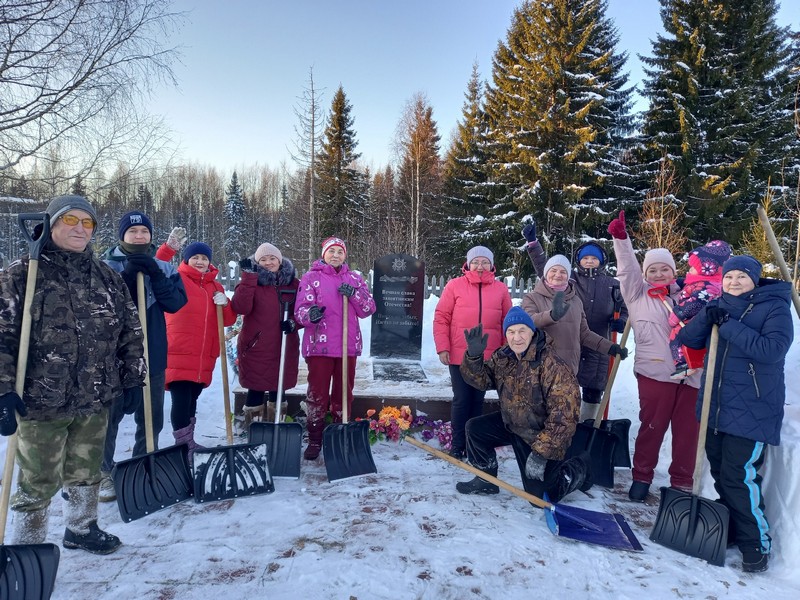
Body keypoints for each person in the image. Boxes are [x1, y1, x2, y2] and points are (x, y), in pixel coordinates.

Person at [0, 195, 145, 554]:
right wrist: (3, 390)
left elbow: (130, 331)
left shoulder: (106, 277)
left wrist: (132, 378)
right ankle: (27, 547)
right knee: (38, 479)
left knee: (86, 470)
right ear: (51, 224)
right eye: (71, 221)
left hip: (94, 396)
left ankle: (81, 528)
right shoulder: (22, 273)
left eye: (87, 223)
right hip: (39, 400)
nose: (80, 229)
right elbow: (2, 334)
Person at [678, 255, 793, 573]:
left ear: (755, 280)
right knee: (721, 473)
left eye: (741, 277)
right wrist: (707, 318)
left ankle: (757, 542)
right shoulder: (719, 303)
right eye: (729, 277)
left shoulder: (775, 308)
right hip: (717, 405)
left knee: (739, 476)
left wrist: (729, 326)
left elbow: (772, 350)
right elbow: (688, 339)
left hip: (753, 410)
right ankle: (731, 527)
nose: (733, 282)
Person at [607, 210, 701, 501]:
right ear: (645, 274)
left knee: (687, 434)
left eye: (665, 269)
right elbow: (626, 270)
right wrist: (621, 240)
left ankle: (682, 484)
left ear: (674, 271)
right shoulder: (637, 294)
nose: (659, 274)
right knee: (652, 428)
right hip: (655, 373)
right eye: (652, 270)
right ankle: (642, 477)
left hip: (693, 375)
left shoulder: (689, 294)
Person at [454, 307, 588, 501]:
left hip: (539, 434)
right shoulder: (504, 357)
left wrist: (541, 453)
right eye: (511, 331)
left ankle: (581, 467)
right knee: (475, 428)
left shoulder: (553, 365)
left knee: (542, 497)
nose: (517, 337)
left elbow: (564, 418)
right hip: (513, 424)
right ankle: (486, 479)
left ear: (532, 331)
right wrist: (474, 358)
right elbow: (482, 381)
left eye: (522, 330)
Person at [99, 211, 187, 501]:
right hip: (112, 357)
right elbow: (102, 306)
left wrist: (154, 272)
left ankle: (142, 466)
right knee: (108, 418)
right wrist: (126, 276)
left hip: (153, 353)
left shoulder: (165, 267)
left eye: (144, 231)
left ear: (151, 236)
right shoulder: (102, 265)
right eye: (133, 231)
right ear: (121, 235)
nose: (139, 236)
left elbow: (175, 303)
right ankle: (102, 474)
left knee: (151, 417)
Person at [522, 221, 628, 421]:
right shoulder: (571, 281)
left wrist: (621, 321)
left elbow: (625, 307)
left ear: (602, 261)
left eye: (593, 259)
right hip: (566, 341)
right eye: (585, 258)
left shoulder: (612, 284)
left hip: (596, 341)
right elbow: (549, 269)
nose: (589, 261)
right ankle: (563, 425)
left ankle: (588, 425)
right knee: (562, 390)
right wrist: (534, 244)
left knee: (593, 389)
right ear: (578, 261)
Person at [294, 237, 376, 460]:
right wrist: (310, 315)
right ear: (324, 254)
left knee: (343, 393)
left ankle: (339, 434)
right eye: (332, 251)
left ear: (345, 255)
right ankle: (315, 438)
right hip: (319, 346)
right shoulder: (312, 278)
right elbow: (300, 310)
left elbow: (369, 308)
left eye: (340, 251)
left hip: (347, 347)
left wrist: (354, 294)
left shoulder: (355, 279)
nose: (336, 255)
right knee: (317, 393)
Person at [159, 241, 237, 457]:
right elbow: (155, 266)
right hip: (179, 351)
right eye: (196, 257)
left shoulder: (215, 286)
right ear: (186, 259)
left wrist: (226, 304)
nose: (200, 261)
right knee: (181, 399)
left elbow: (228, 320)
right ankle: (182, 445)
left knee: (192, 398)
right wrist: (168, 248)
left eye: (204, 258)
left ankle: (188, 441)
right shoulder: (175, 278)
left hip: (203, 355)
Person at [433, 246, 512, 459]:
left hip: (488, 357)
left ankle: (473, 445)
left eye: (484, 262)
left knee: (478, 400)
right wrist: (443, 347)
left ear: (492, 264)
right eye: (475, 261)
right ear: (468, 264)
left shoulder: (501, 289)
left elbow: (508, 322)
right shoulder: (454, 286)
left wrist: (506, 351)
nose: (480, 266)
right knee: (461, 399)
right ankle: (457, 445)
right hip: (460, 355)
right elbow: (442, 317)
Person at [231, 242, 301, 429]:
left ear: (279, 260)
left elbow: (304, 311)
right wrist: (248, 279)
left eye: (272, 258)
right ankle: (255, 430)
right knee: (255, 388)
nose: (268, 262)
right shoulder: (251, 282)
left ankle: (277, 427)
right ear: (257, 262)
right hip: (257, 347)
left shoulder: (294, 284)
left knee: (279, 389)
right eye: (263, 259)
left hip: (285, 345)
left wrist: (295, 322)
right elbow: (240, 307)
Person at [666, 240, 731, 379]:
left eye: (693, 267)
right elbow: (690, 284)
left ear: (706, 269)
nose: (689, 270)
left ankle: (684, 364)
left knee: (677, 336)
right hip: (700, 318)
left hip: (694, 320)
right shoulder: (709, 280)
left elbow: (695, 302)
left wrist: (677, 314)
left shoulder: (706, 286)